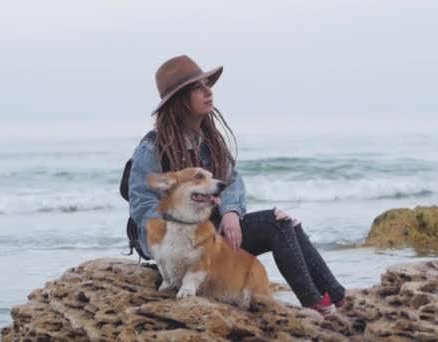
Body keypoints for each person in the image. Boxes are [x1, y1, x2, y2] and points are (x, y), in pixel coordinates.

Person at [128, 55, 345, 316]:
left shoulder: (207, 140)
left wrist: (231, 212)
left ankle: (335, 297)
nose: (209, 91)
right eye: (198, 87)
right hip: (177, 247)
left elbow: (232, 181)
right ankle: (315, 304)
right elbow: (142, 205)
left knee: (282, 222)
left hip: (211, 235)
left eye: (208, 84)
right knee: (278, 224)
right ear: (178, 100)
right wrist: (182, 236)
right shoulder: (151, 148)